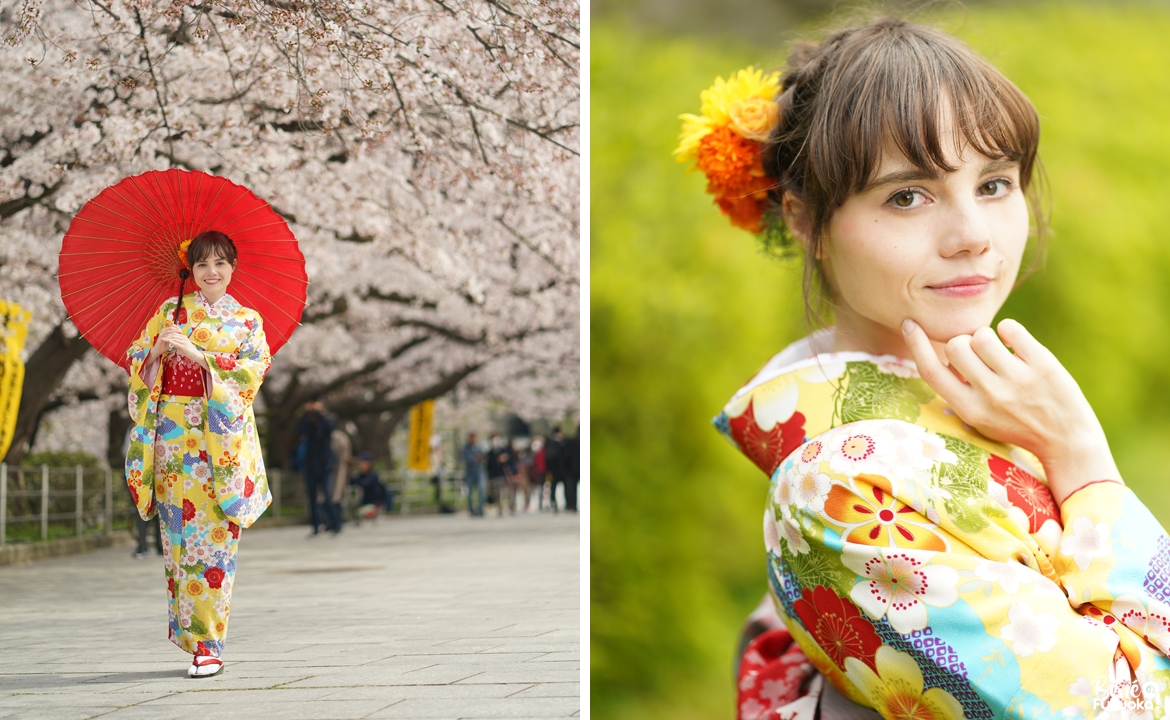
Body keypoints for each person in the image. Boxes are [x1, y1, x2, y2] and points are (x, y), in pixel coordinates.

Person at [678, 17, 1170, 717]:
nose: (973, 235)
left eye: (995, 184)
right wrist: (1084, 463)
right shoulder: (835, 486)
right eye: (907, 196)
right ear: (805, 221)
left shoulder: (987, 412)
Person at [125, 230, 272, 678]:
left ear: (233, 268)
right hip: (171, 440)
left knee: (214, 541)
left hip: (218, 447)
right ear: (190, 270)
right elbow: (136, 364)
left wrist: (201, 356)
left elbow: (252, 373)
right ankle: (193, 641)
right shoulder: (170, 312)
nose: (212, 273)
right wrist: (157, 350)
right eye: (203, 265)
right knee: (178, 542)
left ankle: (210, 644)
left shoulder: (247, 321)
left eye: (221, 264)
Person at [295, 400, 339, 535]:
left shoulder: (325, 424)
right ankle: (315, 525)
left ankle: (335, 524)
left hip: (325, 466)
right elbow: (298, 428)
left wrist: (319, 413)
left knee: (328, 495)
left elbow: (330, 427)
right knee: (312, 498)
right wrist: (306, 412)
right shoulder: (308, 426)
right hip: (310, 466)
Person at [349, 451, 390, 519]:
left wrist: (379, 506)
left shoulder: (374, 476)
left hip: (373, 504)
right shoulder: (359, 475)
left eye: (362, 462)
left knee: (361, 513)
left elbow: (364, 484)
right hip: (362, 503)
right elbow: (352, 482)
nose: (360, 464)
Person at [330, 426, 352, 524]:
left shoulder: (337, 437)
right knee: (336, 494)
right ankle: (334, 522)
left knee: (336, 495)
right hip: (334, 470)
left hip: (337, 469)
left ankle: (336, 521)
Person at [461, 432, 486, 517]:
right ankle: (471, 509)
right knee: (470, 491)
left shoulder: (479, 446)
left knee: (481, 489)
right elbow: (465, 458)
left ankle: (480, 508)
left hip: (479, 470)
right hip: (469, 472)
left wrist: (480, 457)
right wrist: (475, 458)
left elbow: (483, 456)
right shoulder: (465, 448)